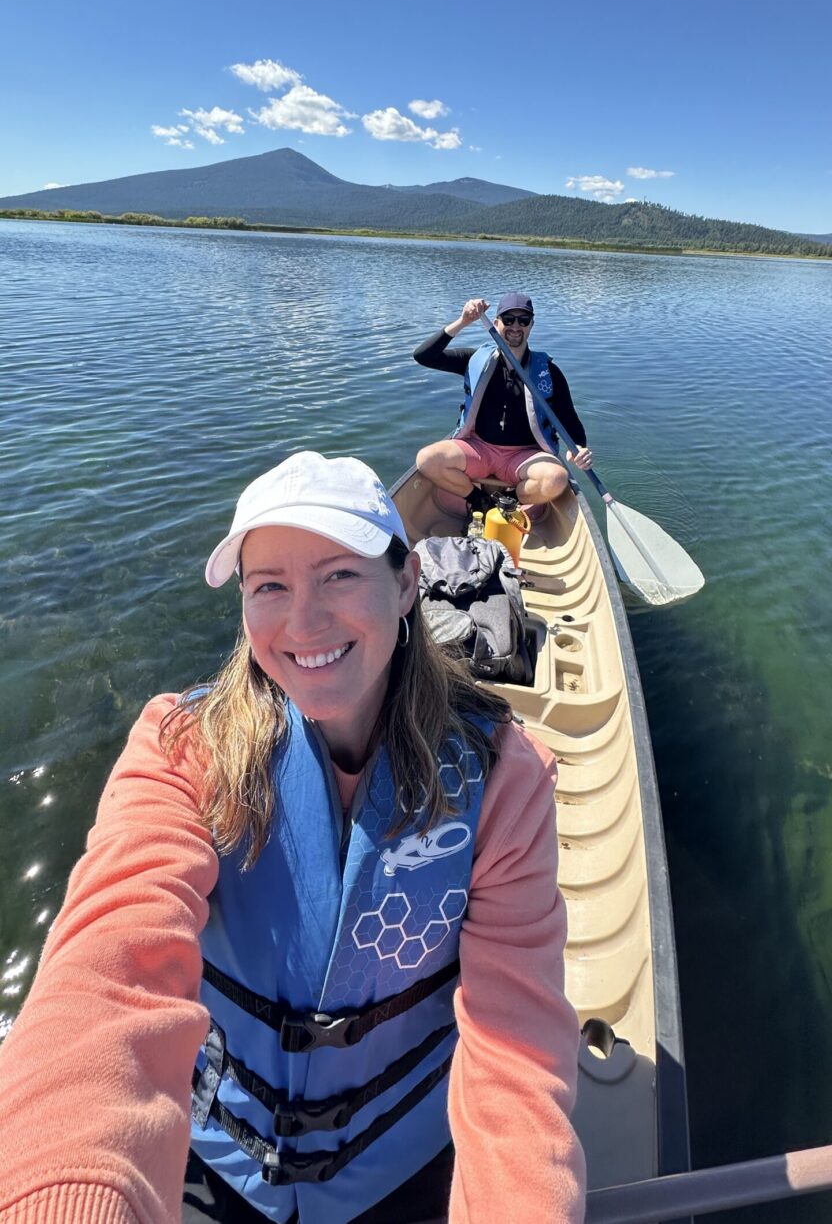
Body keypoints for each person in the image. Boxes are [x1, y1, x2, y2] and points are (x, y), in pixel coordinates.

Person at [0, 452, 586, 1224]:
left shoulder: (503, 782)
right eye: (268, 585)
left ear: (407, 581)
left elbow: (515, 1050)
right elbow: (107, 975)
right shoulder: (182, 751)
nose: (302, 622)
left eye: (340, 574)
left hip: (402, 1162)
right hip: (212, 1163)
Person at [413, 292, 593, 514]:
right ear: (496, 322)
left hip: (524, 456)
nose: (515, 326)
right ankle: (479, 500)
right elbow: (423, 356)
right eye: (508, 319)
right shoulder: (473, 360)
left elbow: (569, 418)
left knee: (557, 479)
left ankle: (508, 501)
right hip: (479, 449)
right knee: (426, 460)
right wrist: (463, 321)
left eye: (523, 320)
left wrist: (579, 449)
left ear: (531, 325)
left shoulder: (549, 373)